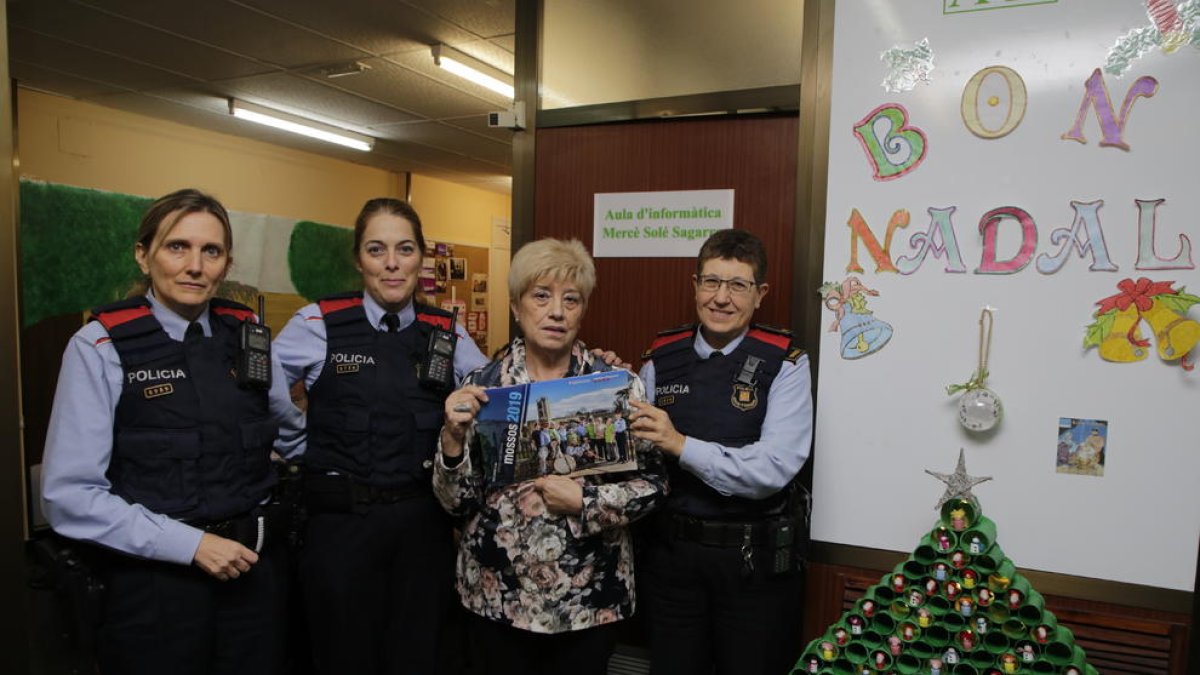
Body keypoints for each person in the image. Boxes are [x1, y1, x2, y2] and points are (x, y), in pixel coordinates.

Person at [40, 188, 306, 675]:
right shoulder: (100, 346)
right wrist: (192, 545)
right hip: (156, 588)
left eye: (211, 251)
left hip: (253, 576)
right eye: (176, 247)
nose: (195, 266)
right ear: (143, 256)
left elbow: (290, 436)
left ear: (226, 263)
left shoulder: (248, 338)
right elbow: (69, 496)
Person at [272, 197, 490, 674]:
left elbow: (493, 389)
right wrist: (295, 442)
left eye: (405, 249)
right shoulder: (318, 323)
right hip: (341, 526)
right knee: (343, 656)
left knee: (418, 655)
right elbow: (261, 382)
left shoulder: (445, 332)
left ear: (421, 258)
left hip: (421, 527)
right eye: (377, 250)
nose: (392, 264)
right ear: (359, 259)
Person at [435, 238, 667, 675]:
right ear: (517, 305)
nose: (556, 311)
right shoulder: (482, 386)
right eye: (541, 296)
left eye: (571, 299)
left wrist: (587, 503)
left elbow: (655, 485)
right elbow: (455, 504)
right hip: (496, 596)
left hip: (588, 601)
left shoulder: (618, 386)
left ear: (583, 310)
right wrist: (451, 440)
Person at [631, 228, 813, 675]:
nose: (721, 298)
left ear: (760, 294)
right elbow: (636, 452)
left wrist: (679, 444)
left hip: (753, 568)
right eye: (711, 282)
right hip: (671, 561)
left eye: (738, 285)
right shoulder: (660, 357)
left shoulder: (785, 362)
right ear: (695, 285)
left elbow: (773, 468)